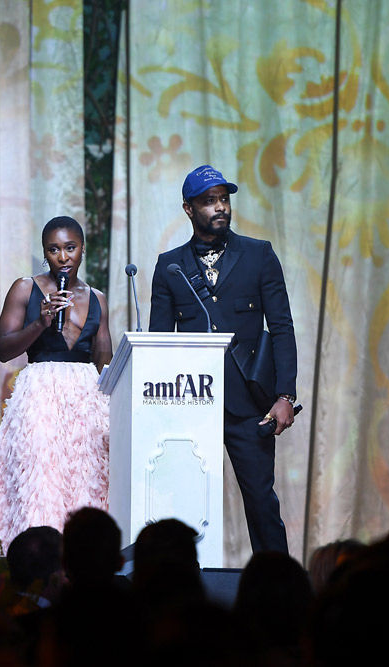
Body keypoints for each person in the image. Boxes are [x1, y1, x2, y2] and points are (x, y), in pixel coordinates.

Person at [149, 165, 297, 554]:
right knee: (181, 509)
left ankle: (279, 594)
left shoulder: (259, 254)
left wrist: (285, 394)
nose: (220, 208)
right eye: (208, 201)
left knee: (262, 505)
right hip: (190, 406)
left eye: (224, 199)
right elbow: (160, 345)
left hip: (249, 406)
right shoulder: (169, 265)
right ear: (188, 208)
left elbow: (282, 328)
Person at [0, 216, 112, 556]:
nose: (63, 257)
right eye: (54, 249)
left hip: (85, 397)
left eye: (70, 248)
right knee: (41, 477)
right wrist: (41, 322)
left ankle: (83, 561)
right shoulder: (25, 288)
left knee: (83, 480)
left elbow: (104, 359)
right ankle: (37, 565)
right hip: (40, 393)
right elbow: (4, 349)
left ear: (83, 250)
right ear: (45, 253)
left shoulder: (98, 299)